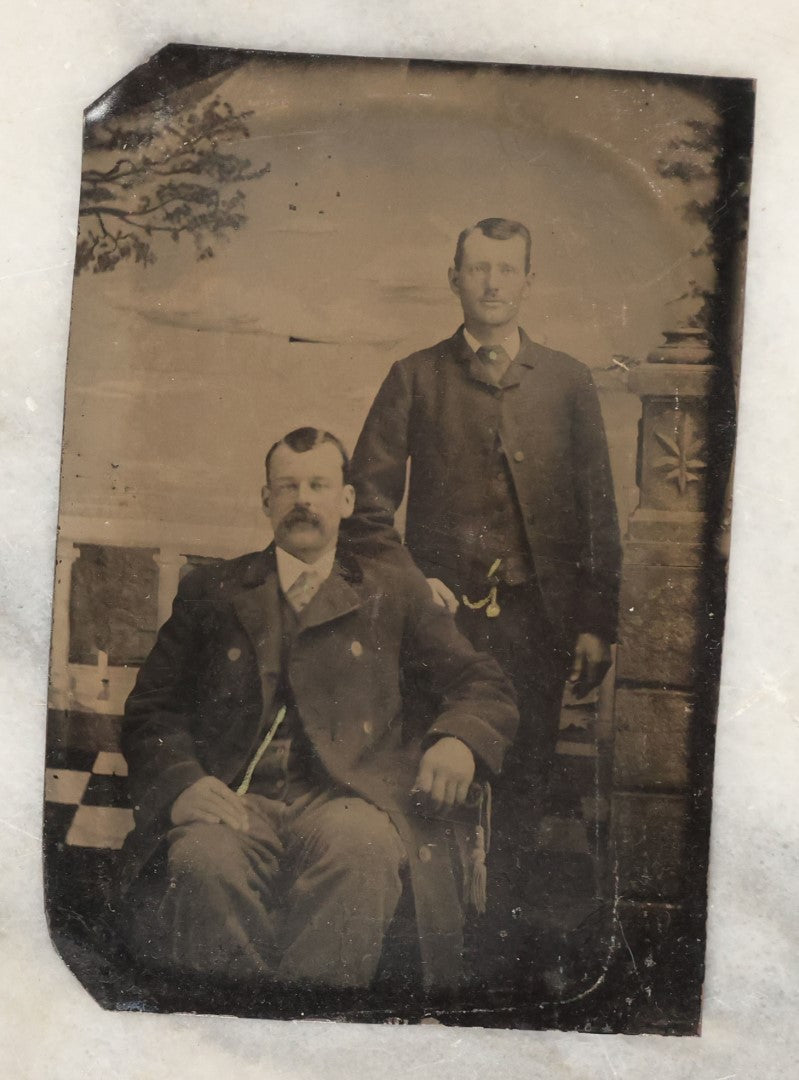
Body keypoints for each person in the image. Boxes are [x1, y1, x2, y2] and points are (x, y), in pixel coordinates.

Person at [118, 427, 517, 995]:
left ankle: (311, 1024)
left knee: (364, 852)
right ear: (266, 501)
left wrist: (459, 739)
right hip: (238, 795)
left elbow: (481, 682)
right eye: (287, 487)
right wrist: (182, 783)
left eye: (318, 485)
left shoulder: (393, 590)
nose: (302, 500)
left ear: (347, 500)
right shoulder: (213, 590)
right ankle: (242, 1030)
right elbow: (152, 708)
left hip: (349, 796)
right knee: (203, 860)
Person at [349, 218, 622, 928]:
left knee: (524, 789)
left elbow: (597, 511)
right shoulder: (414, 376)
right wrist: (412, 582)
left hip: (538, 627)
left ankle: (502, 945)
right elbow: (365, 508)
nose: (492, 283)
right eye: (478, 269)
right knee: (432, 778)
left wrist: (596, 623)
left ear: (528, 280)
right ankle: (430, 941)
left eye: (506, 269)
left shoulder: (567, 381)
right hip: (440, 627)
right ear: (454, 279)